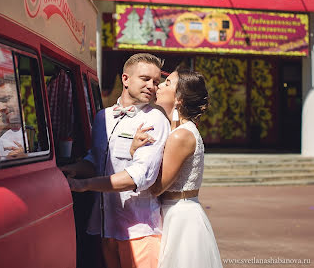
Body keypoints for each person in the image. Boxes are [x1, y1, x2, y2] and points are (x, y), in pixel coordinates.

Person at [64, 53, 170, 268]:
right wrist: (68, 170)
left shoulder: (154, 118)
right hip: (104, 226)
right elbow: (95, 160)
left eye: (156, 82)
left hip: (139, 229)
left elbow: (141, 176)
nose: (152, 86)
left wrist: (84, 185)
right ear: (125, 79)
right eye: (145, 79)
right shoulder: (102, 117)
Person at [130, 66, 223, 268]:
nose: (159, 86)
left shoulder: (181, 135)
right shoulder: (179, 130)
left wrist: (135, 153)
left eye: (167, 83)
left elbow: (156, 187)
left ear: (179, 99)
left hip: (180, 217)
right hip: (176, 211)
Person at [0, 82, 26, 159]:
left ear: (19, 97)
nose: (1, 107)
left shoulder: (43, 125)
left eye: (6, 99)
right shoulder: (1, 143)